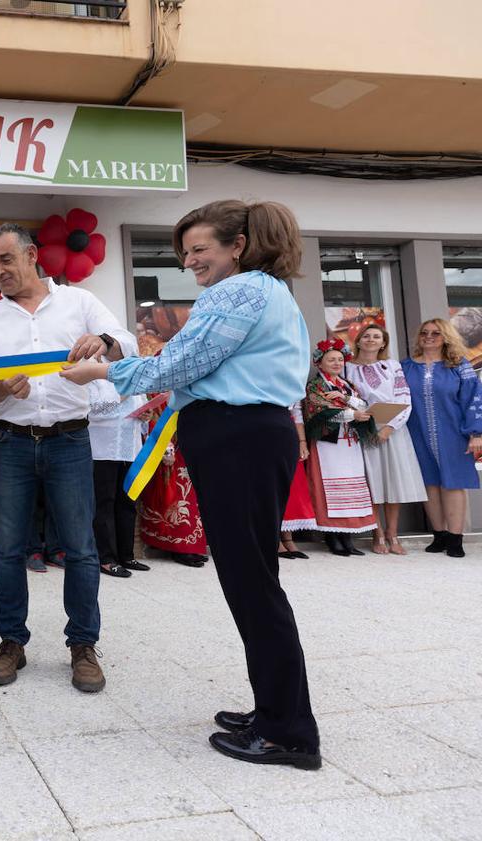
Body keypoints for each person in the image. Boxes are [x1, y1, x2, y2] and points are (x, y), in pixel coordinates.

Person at [62, 199, 322, 769]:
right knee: (254, 578)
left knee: (252, 583)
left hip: (238, 438)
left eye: (200, 249)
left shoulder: (237, 291)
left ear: (239, 245)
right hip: (251, 435)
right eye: (185, 253)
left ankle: (289, 732)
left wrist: (104, 371)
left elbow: (183, 363)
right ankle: (275, 709)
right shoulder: (271, 292)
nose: (191, 262)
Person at [0, 222, 135, 694]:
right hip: (12, 441)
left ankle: (83, 645)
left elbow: (122, 338)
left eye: (6, 259)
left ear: (32, 255)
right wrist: (1, 387)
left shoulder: (79, 302)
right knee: (9, 550)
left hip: (69, 441)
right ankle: (11, 641)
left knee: (81, 549)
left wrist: (102, 342)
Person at [402, 318, 482, 558]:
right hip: (416, 433)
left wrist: (476, 433)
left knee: (454, 483)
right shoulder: (405, 367)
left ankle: (456, 539)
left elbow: (474, 398)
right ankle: (440, 535)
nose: (429, 337)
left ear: (446, 337)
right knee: (429, 483)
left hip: (454, 432)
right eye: (424, 332)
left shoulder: (459, 365)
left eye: (436, 333)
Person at [345, 325, 427, 554]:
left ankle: (393, 532)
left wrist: (389, 428)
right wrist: (363, 421)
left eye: (377, 337)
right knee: (371, 481)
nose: (371, 340)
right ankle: (377, 532)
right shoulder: (347, 368)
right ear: (359, 341)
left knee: (393, 480)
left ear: (383, 343)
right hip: (363, 429)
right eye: (366, 336)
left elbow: (404, 397)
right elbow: (346, 398)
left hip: (394, 429)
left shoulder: (392, 366)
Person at [303, 341, 378, 556]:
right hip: (328, 443)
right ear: (320, 363)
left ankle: (347, 537)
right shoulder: (315, 385)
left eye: (339, 359)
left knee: (350, 486)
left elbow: (363, 405)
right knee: (329, 486)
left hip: (349, 442)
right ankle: (332, 537)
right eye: (331, 359)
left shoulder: (347, 385)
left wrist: (346, 399)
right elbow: (317, 411)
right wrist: (351, 414)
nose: (337, 363)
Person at [86, 380, 148, 577]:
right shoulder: (94, 378)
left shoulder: (133, 378)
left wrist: (145, 415)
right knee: (104, 503)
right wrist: (122, 396)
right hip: (103, 450)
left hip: (130, 449)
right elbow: (91, 412)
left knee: (127, 502)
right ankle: (105, 558)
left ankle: (126, 555)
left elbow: (142, 413)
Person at [137, 396, 209, 567]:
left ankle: (191, 544)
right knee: (174, 497)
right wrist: (166, 448)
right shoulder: (152, 392)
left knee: (191, 497)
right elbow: (153, 421)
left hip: (188, 444)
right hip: (166, 449)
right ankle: (178, 546)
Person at [278, 403, 315, 559]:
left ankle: (288, 538)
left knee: (292, 486)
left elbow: (297, 412)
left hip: (289, 430)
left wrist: (302, 442)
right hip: (266, 427)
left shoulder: (293, 379)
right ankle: (274, 539)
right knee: (273, 487)